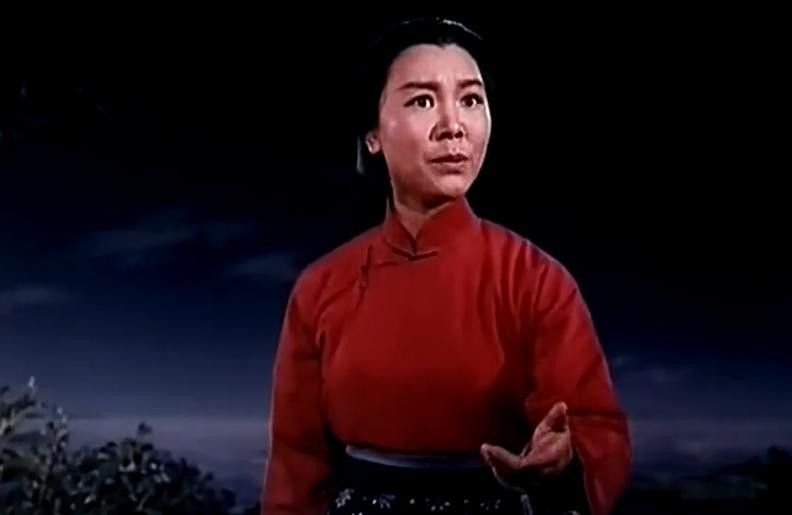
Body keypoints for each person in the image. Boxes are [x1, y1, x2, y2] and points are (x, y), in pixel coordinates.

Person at [261, 17, 631, 515]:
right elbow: (295, 463)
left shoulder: (536, 280)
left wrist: (565, 457)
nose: (454, 125)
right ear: (372, 135)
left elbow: (595, 426)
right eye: (422, 101)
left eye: (471, 100)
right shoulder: (321, 287)